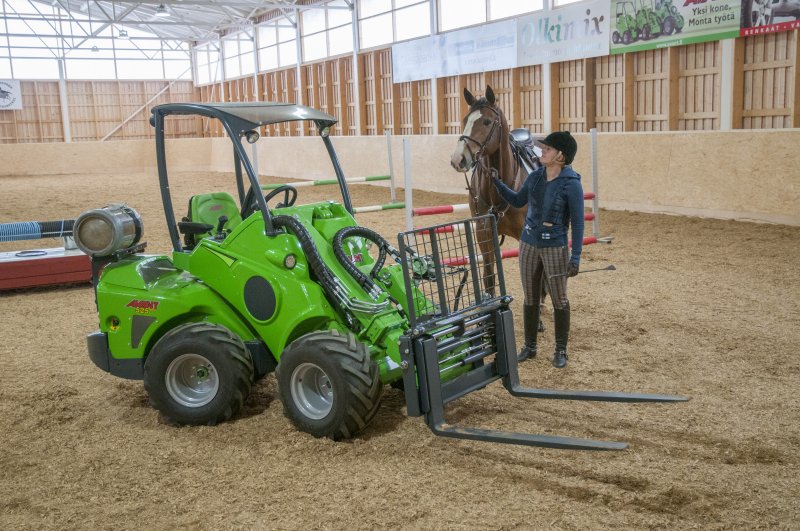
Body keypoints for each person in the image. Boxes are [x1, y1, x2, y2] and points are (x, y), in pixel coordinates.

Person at [491, 131, 584, 368]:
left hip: (555, 247)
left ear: (561, 155)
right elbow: (517, 200)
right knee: (530, 297)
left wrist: (575, 257)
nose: (542, 150)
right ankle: (530, 347)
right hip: (529, 244)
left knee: (559, 299)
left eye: (548, 149)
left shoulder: (572, 184)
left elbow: (578, 223)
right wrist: (497, 183)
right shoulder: (534, 177)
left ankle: (560, 350)